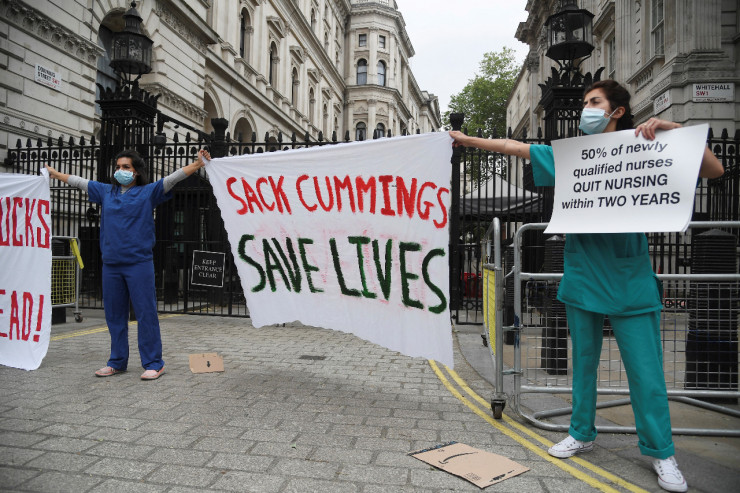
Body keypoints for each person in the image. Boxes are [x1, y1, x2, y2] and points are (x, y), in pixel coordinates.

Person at [450, 79, 724, 493]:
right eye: (584, 103)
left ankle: (661, 451)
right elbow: (513, 147)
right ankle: (581, 432)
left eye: (594, 102)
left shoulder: (645, 145)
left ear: (617, 110)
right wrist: (466, 139)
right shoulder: (576, 155)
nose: (586, 109)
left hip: (630, 278)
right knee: (584, 365)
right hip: (582, 275)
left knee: (646, 374)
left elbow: (714, 169)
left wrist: (671, 128)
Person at [45, 148, 211, 380]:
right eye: (118, 167)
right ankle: (117, 361)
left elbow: (173, 178)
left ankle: (154, 363)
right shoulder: (106, 191)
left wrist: (197, 164)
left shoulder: (148, 192)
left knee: (145, 314)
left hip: (139, 264)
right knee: (114, 316)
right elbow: (79, 181)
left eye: (126, 167)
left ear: (136, 171)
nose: (120, 170)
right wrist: (55, 174)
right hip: (111, 265)